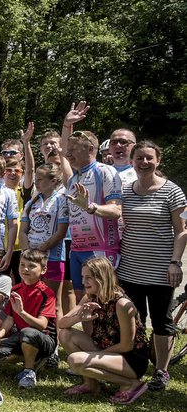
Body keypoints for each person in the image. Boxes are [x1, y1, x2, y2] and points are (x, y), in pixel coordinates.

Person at [117, 141, 187, 392]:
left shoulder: (173, 191)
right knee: (134, 320)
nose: (144, 163)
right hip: (129, 269)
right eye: (139, 158)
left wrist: (175, 263)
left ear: (158, 161)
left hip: (161, 270)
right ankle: (135, 365)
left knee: (161, 322)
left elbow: (181, 232)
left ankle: (161, 371)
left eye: (149, 158)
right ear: (132, 161)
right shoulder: (125, 190)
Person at [59, 256, 150, 405]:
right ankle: (91, 385)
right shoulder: (90, 297)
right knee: (65, 334)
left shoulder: (122, 304)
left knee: (75, 360)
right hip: (107, 352)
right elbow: (62, 323)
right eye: (83, 277)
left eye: (88, 278)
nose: (83, 282)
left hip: (130, 360)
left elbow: (127, 346)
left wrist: (92, 356)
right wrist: (79, 317)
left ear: (102, 278)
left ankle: (131, 383)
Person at [63, 128, 122, 300]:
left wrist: (91, 207)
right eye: (68, 149)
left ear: (90, 149)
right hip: (76, 249)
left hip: (100, 250)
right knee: (82, 301)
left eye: (73, 149)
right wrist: (67, 125)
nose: (68, 153)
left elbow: (116, 210)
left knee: (102, 300)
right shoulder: (74, 179)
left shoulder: (105, 171)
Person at [0, 249, 58, 389]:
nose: (25, 269)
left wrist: (22, 312)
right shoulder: (15, 290)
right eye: (22, 265)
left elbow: (42, 325)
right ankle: (31, 358)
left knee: (28, 333)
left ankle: (29, 371)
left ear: (43, 270)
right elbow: (10, 320)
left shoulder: (47, 293)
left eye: (31, 266)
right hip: (21, 336)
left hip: (44, 339)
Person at [21, 163, 69, 299]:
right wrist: (26, 252)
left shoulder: (62, 201)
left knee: (52, 302)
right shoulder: (31, 203)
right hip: (31, 257)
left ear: (53, 181)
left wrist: (41, 249)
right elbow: (23, 230)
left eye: (40, 179)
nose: (36, 183)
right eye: (35, 179)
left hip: (53, 257)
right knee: (32, 298)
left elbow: (61, 232)